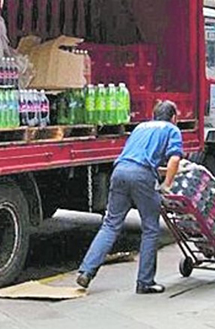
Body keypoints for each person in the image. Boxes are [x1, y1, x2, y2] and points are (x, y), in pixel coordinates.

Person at [76, 100, 183, 294]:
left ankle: (86, 271)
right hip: (142, 176)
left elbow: (139, 156)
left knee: (110, 224)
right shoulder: (172, 129)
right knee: (150, 228)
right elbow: (175, 159)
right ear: (174, 117)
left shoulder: (141, 127)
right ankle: (145, 282)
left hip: (120, 171)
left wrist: (156, 171)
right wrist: (166, 185)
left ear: (154, 114)